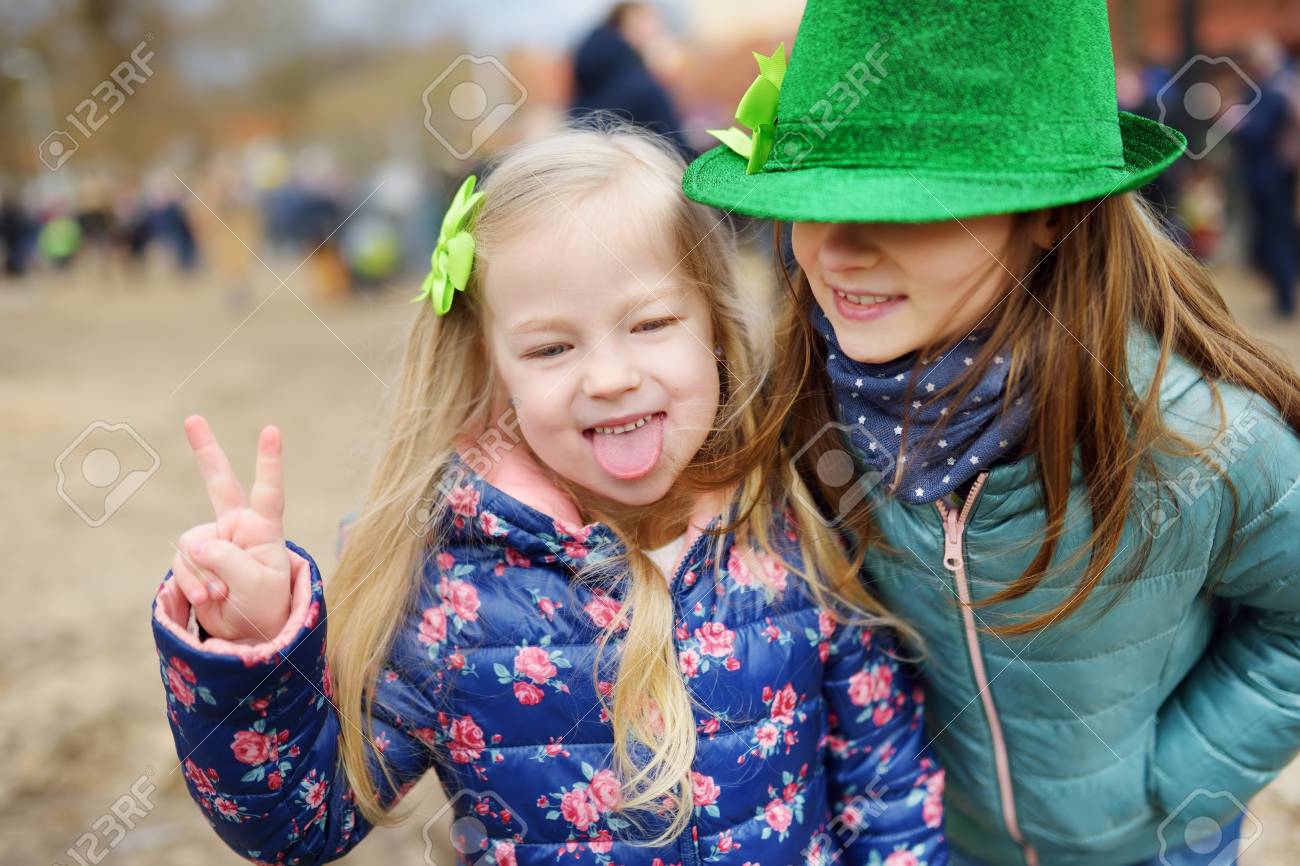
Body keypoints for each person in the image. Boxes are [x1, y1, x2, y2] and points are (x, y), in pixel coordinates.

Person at [149, 125, 947, 865]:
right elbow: (298, 824)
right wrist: (255, 652)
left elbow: (889, 790)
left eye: (650, 324)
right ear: (494, 368)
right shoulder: (447, 590)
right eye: (552, 346)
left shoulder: (789, 523)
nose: (609, 377)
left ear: (713, 324)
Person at [682, 2, 1300, 865]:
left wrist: (1176, 780)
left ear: (1050, 214)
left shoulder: (1193, 438)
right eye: (815, 200)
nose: (841, 250)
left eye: (910, 205)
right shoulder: (806, 409)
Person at [570, 3, 690, 156]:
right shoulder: (644, 88)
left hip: (584, 161)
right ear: (631, 23)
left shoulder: (593, 65)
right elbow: (678, 149)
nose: (658, 30)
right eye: (651, 22)